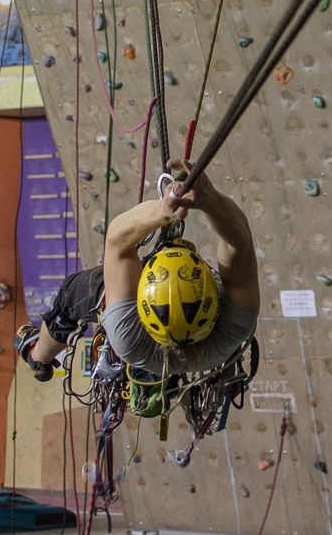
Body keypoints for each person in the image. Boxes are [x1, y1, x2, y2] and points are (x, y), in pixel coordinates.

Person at [15, 158, 259, 380]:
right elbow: (239, 242)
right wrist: (211, 202)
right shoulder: (232, 329)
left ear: (141, 300)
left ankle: (38, 356)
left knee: (76, 291)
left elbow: (117, 241)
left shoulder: (127, 333)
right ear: (212, 298)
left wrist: (161, 212)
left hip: (141, 349)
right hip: (210, 351)